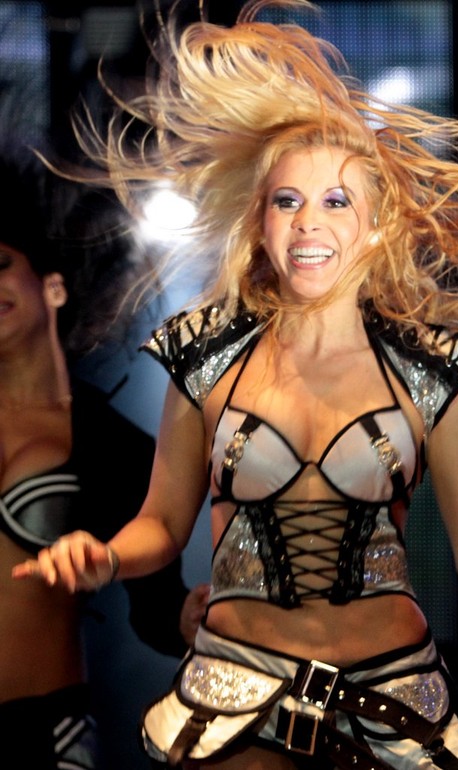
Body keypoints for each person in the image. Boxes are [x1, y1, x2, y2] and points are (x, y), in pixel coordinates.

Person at [13, 1, 458, 768]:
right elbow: (160, 524)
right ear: (260, 222)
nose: (307, 224)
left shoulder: (431, 374)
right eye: (287, 201)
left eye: (335, 202)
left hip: (390, 694)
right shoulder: (206, 361)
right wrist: (107, 556)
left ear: (376, 224)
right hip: (236, 683)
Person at [0, 145, 206, 770]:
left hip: (43, 730)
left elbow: (155, 606)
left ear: (53, 285)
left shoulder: (108, 441)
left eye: (1, 266)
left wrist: (189, 620)